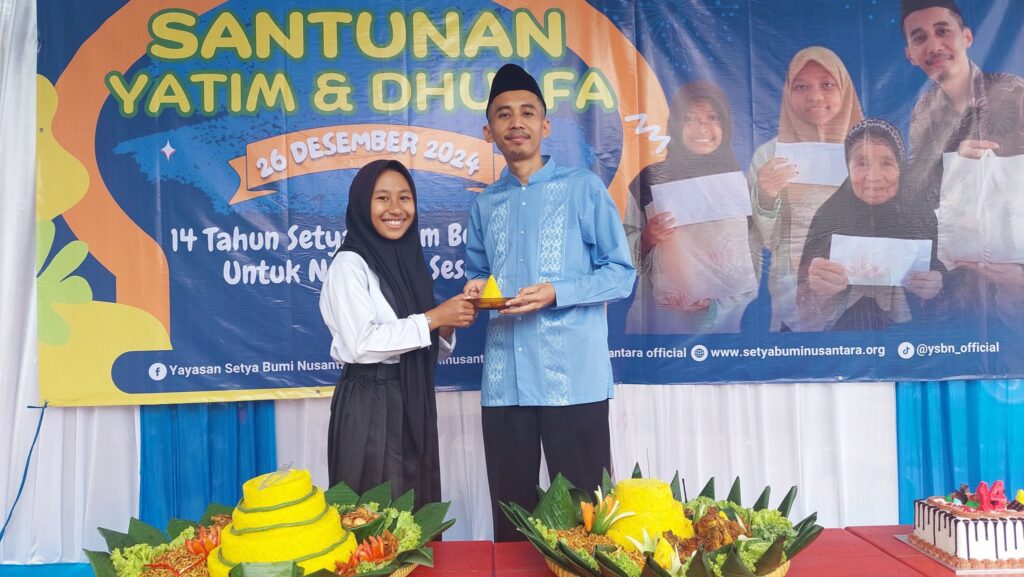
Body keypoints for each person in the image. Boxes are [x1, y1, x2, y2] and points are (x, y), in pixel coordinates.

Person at [462, 63, 635, 541]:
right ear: (489, 131)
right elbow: (479, 273)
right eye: (503, 114)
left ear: (545, 125)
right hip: (506, 385)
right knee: (511, 520)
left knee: (588, 522)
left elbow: (621, 274)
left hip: (572, 382)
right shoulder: (484, 205)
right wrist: (476, 289)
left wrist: (557, 291)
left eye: (527, 112)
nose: (515, 122)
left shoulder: (582, 188)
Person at [319, 159, 476, 508]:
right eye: (382, 198)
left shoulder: (408, 263)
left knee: (416, 507)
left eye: (405, 198)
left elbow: (419, 343)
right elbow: (361, 344)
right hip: (369, 401)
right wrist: (434, 318)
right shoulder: (349, 264)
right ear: (362, 204)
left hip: (411, 396)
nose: (395, 209)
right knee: (374, 514)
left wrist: (449, 320)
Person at [901, 0, 1024, 334]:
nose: (934, 45)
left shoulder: (1015, 94)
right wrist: (953, 169)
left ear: (967, 37)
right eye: (919, 38)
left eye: (943, 31)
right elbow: (925, 194)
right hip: (960, 291)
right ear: (910, 54)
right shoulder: (923, 112)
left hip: (1015, 289)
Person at [625, 81, 756, 333]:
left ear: (726, 125)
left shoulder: (743, 183)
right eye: (690, 119)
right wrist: (647, 238)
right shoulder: (648, 181)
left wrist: (715, 306)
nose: (702, 128)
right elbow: (620, 253)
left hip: (731, 325)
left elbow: (759, 257)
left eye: (712, 118)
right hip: (662, 324)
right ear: (676, 125)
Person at [748, 47, 864, 331]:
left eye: (827, 84)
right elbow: (764, 241)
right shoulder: (769, 157)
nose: (815, 97)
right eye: (801, 86)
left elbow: (894, 222)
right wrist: (766, 196)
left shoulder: (872, 151)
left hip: (862, 295)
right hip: (794, 299)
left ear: (845, 90)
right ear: (788, 94)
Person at [798, 119, 943, 331]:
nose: (873, 177)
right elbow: (802, 307)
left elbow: (948, 290)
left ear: (900, 166)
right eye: (862, 163)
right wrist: (818, 289)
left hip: (909, 341)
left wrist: (934, 286)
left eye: (887, 163)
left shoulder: (920, 215)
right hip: (842, 340)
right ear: (848, 167)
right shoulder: (827, 216)